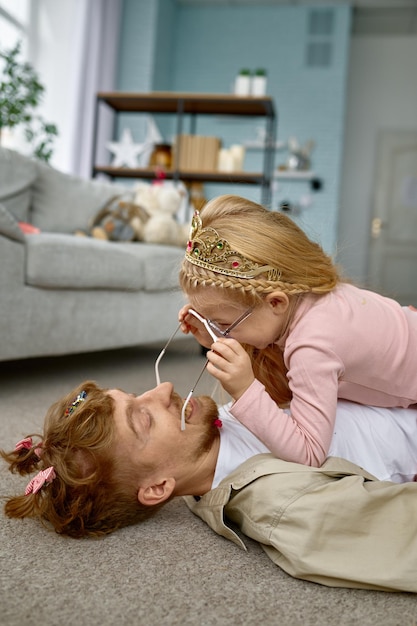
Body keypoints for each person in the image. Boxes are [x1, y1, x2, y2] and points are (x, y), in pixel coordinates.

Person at [2, 380, 417, 592]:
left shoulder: (216, 430)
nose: (164, 389)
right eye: (144, 419)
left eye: (136, 394)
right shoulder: (283, 506)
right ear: (157, 488)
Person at [178, 194, 417, 466]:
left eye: (224, 324)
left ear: (276, 302)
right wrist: (215, 334)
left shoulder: (312, 347)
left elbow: (310, 453)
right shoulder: (312, 296)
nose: (223, 332)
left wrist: (246, 390)